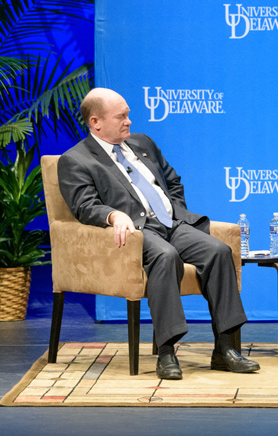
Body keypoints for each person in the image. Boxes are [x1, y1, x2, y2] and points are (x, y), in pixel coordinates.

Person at [58, 88, 260, 380]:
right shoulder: (75, 160)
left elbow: (173, 181)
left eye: (128, 114)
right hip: (135, 232)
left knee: (218, 251)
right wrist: (114, 215)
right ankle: (166, 351)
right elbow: (84, 206)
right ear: (96, 122)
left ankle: (224, 348)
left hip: (171, 224)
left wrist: (174, 212)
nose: (129, 121)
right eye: (121, 117)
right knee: (166, 256)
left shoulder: (143, 143)